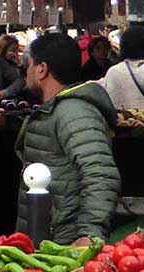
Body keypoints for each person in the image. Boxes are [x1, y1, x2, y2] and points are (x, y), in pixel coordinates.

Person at [14, 33, 120, 242]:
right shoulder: (58, 110)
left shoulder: (75, 112)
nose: (26, 71)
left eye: (30, 64)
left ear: (42, 69)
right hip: (48, 238)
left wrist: (90, 233)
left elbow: (100, 173)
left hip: (66, 241)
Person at [0, 35, 28, 101]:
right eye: (13, 50)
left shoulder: (3, 64)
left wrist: (18, 64)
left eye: (16, 51)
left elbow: (21, 81)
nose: (15, 53)